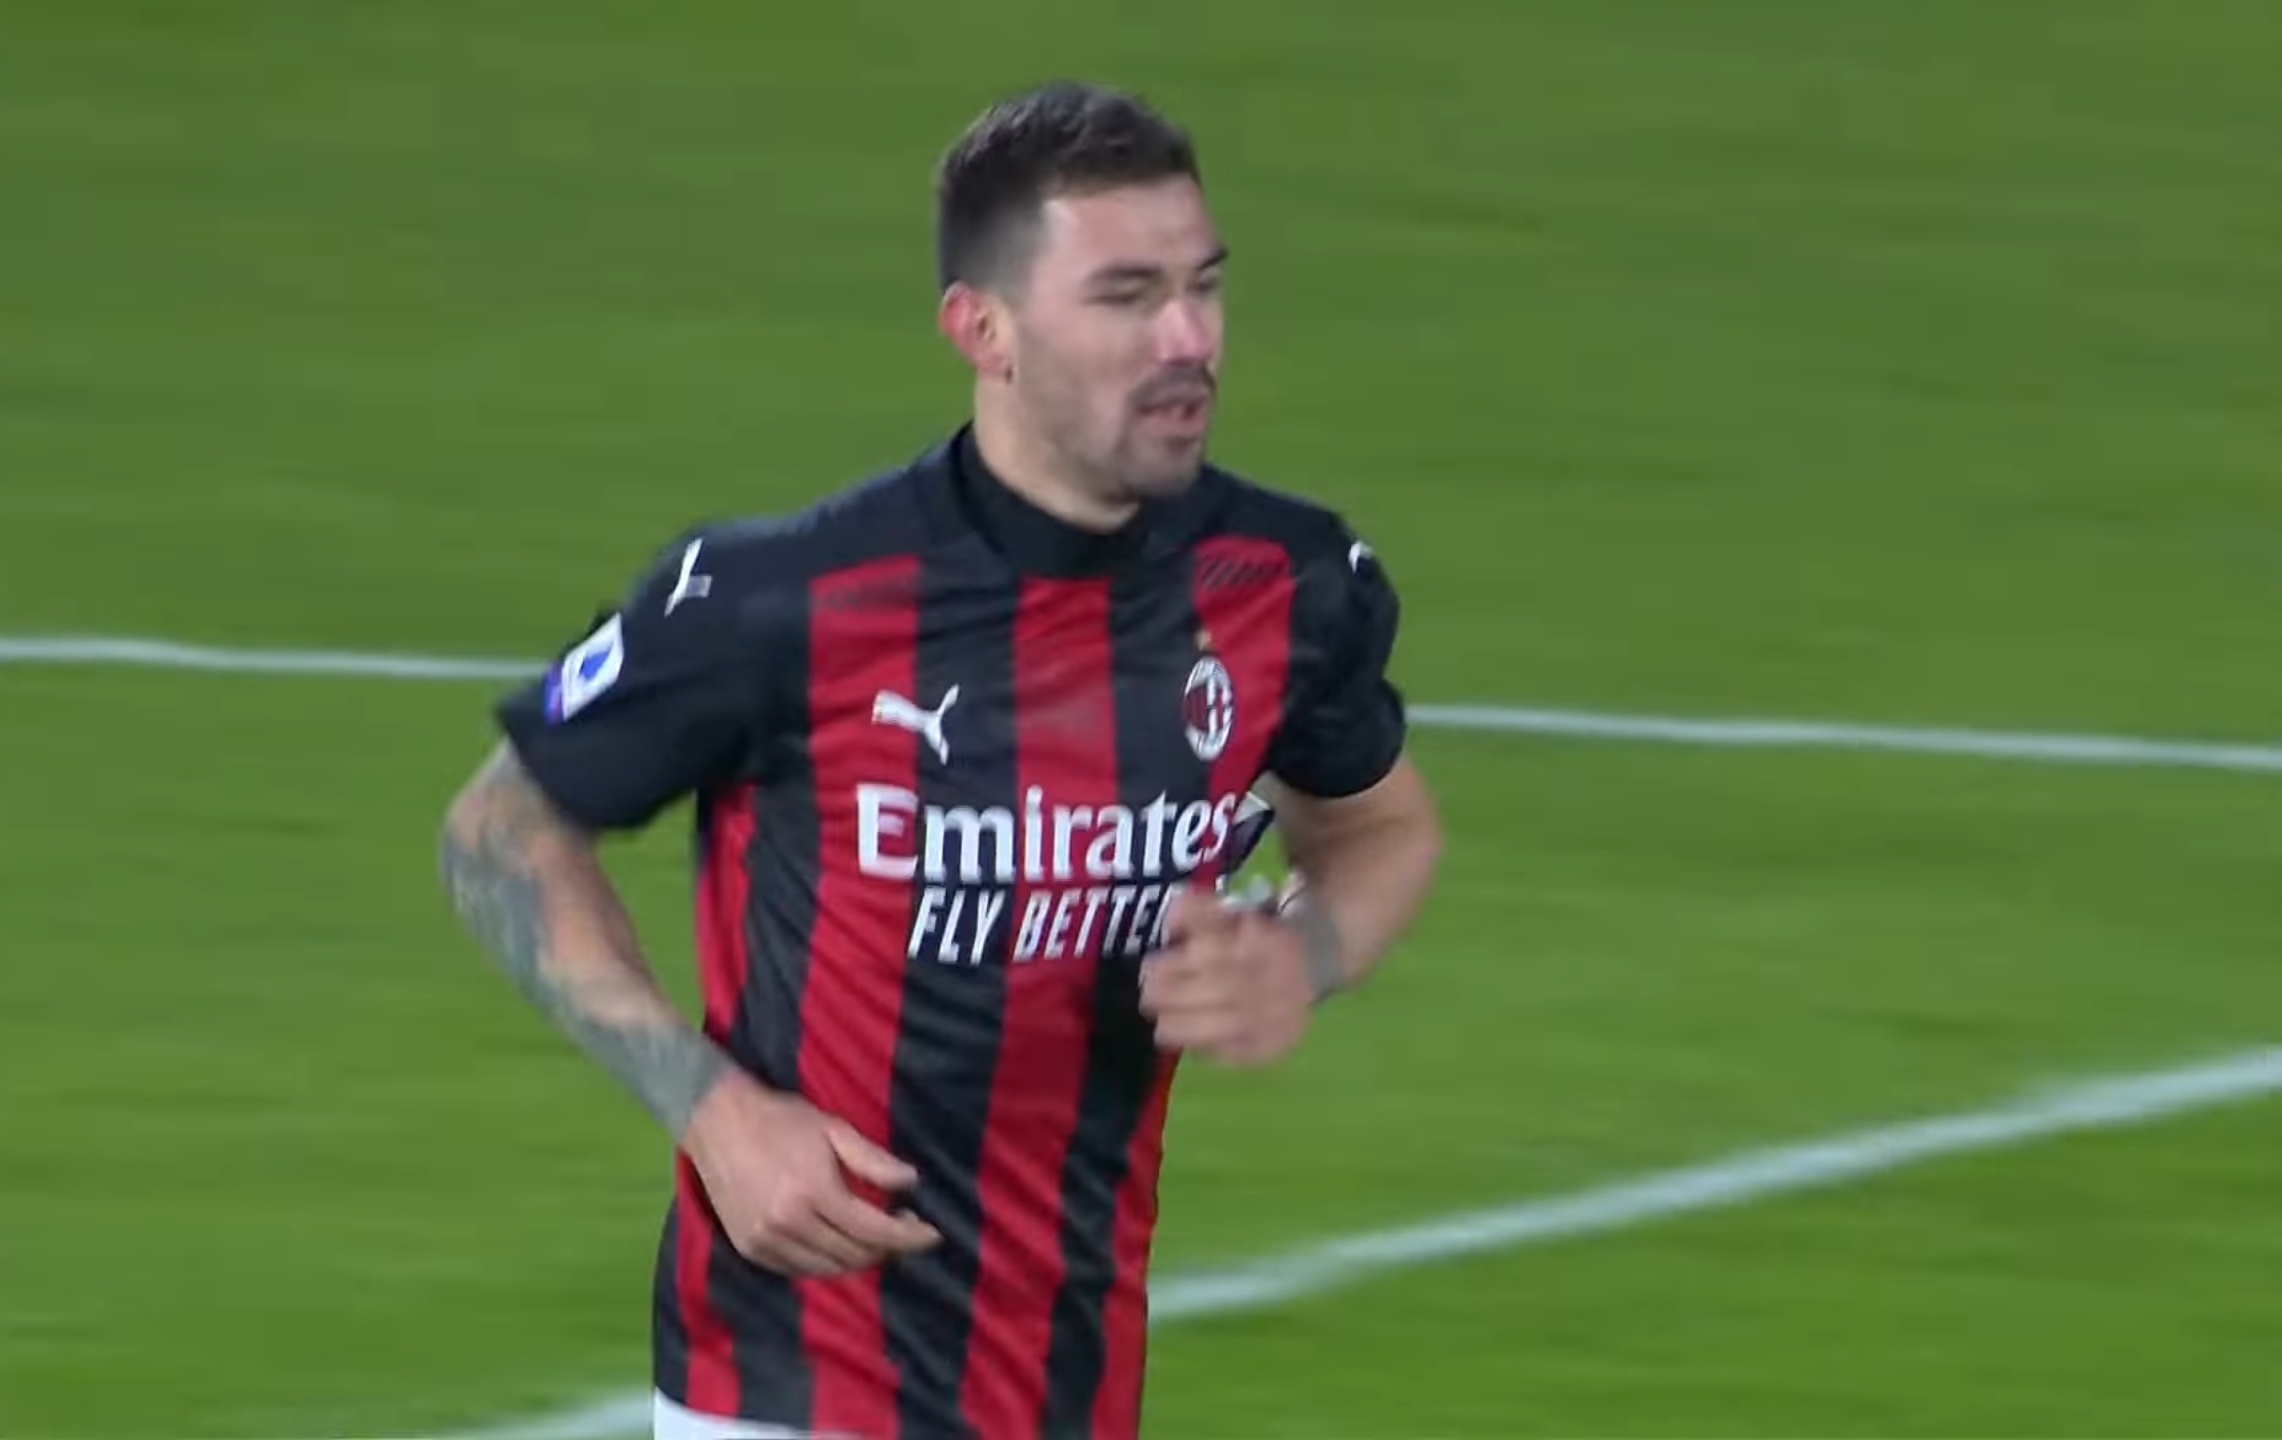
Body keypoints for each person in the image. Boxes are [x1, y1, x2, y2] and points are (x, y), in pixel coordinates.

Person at [438, 78, 1443, 1440]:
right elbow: (500, 832)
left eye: (1202, 287)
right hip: (790, 1388)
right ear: (984, 330)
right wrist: (712, 1112)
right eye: (1126, 296)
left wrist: (1303, 954)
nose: (1186, 339)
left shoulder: (1286, 583)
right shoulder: (783, 600)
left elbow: (1378, 828)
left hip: (1070, 1380)